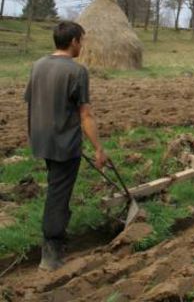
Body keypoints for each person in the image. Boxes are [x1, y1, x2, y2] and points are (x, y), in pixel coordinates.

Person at [24, 21, 108, 271]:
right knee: (58, 196)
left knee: (55, 187)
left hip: (41, 140)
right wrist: (98, 148)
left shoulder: (37, 65)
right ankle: (51, 252)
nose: (82, 46)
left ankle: (58, 235)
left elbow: (32, 101)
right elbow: (86, 115)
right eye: (82, 41)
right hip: (64, 144)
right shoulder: (77, 71)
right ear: (73, 42)